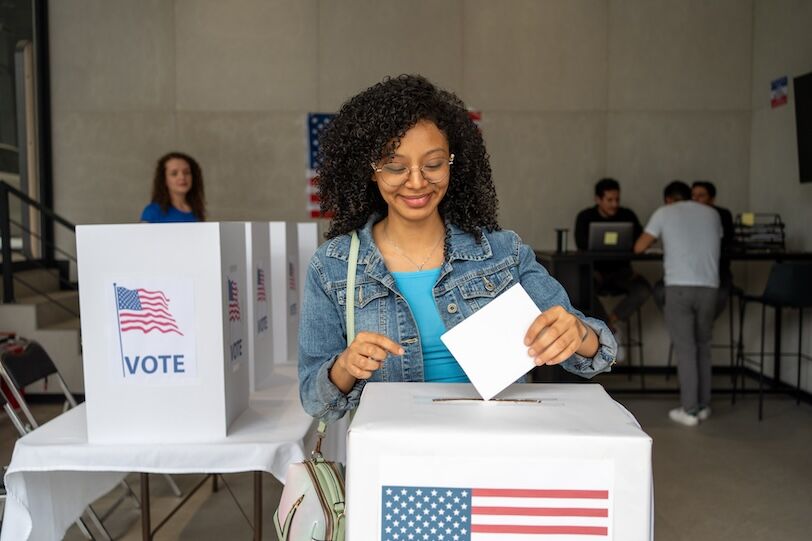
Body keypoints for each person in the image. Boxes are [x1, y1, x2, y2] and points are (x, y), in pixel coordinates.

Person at [299, 75, 616, 422]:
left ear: (453, 162)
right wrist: (346, 366)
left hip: (496, 451)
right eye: (395, 167)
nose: (417, 181)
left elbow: (594, 355)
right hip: (397, 460)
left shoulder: (502, 253)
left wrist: (577, 334)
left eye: (433, 164)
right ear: (371, 170)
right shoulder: (332, 266)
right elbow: (315, 401)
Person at [634, 181, 722, 426]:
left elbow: (639, 247)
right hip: (710, 287)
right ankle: (703, 405)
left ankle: (689, 410)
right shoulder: (713, 214)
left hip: (679, 287)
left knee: (686, 349)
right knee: (703, 345)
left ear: (669, 199)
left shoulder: (664, 212)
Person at [574, 178, 651, 331]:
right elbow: (581, 246)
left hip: (622, 273)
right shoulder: (585, 217)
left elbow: (640, 242)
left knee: (643, 289)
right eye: (610, 200)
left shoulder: (627, 215)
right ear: (598, 199)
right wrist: (592, 271)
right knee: (582, 288)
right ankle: (606, 329)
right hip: (595, 272)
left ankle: (609, 323)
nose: (614, 204)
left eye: (617, 199)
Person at [692, 180, 735, 317]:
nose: (696, 199)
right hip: (691, 272)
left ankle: (700, 327)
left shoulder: (722, 215)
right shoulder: (686, 216)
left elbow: (727, 240)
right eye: (693, 195)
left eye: (701, 195)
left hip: (717, 270)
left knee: (720, 295)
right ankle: (691, 329)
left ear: (712, 199)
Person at [140, 152, 206, 223]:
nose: (182, 177)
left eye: (186, 172)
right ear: (164, 180)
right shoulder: (152, 212)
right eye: (174, 174)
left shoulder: (197, 211)